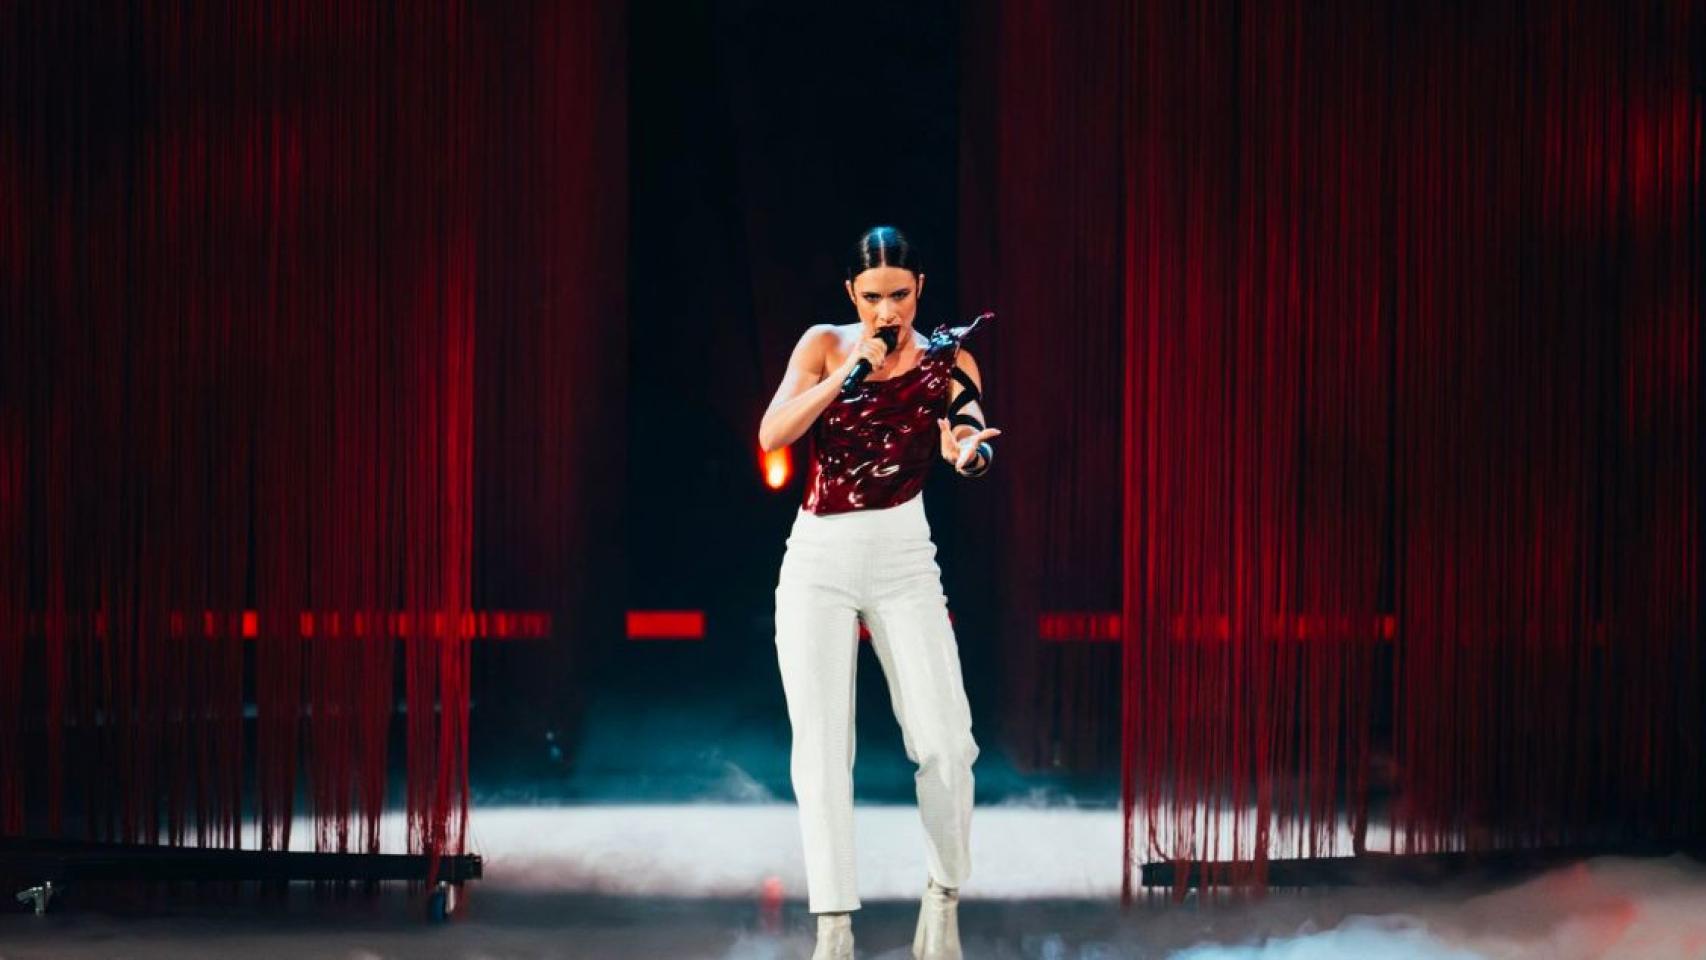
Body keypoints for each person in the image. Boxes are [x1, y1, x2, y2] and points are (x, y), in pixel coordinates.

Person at [758, 226, 1000, 960]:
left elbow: (968, 433)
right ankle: (834, 928)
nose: (886, 310)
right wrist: (849, 373)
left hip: (903, 557)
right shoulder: (825, 345)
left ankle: (944, 895)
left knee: (948, 744)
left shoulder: (949, 360)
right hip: (820, 559)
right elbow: (773, 433)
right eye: (872, 297)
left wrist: (969, 454)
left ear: (919, 289)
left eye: (899, 294)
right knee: (823, 748)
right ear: (851, 295)